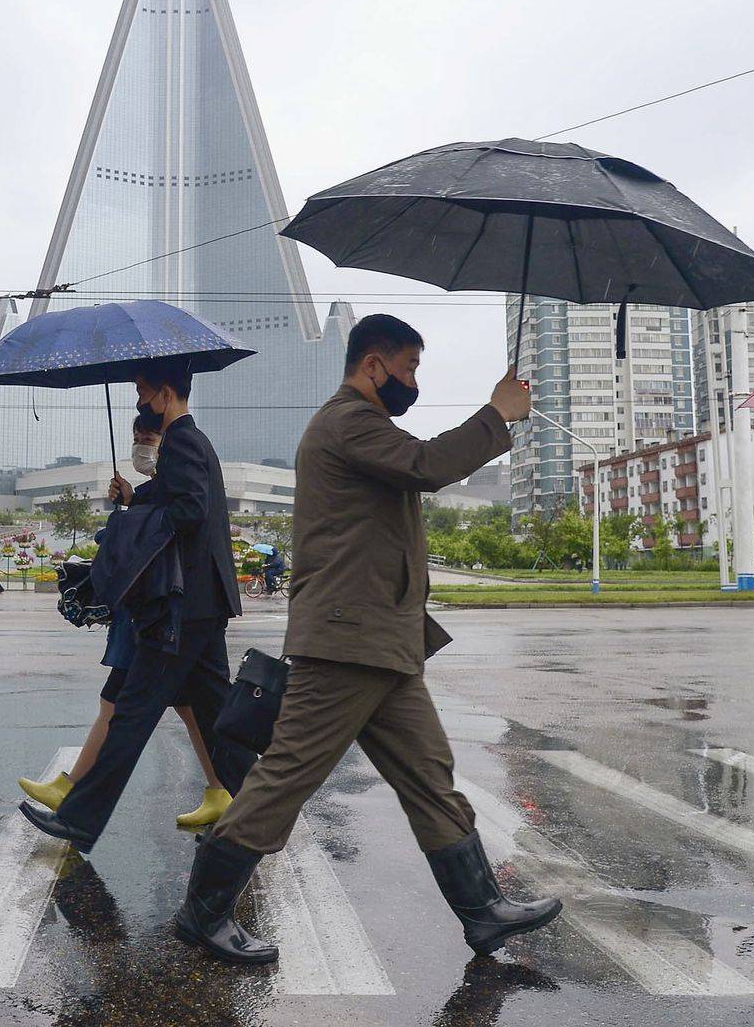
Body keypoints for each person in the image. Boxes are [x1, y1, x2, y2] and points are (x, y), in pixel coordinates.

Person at [172, 315, 560, 965]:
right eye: (408, 367)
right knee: (284, 780)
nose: (414, 381)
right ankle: (202, 912)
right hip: (348, 644)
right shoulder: (346, 422)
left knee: (430, 777)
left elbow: (412, 472)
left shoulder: (364, 425)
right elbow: (427, 465)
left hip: (382, 643)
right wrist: (497, 412)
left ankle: (482, 910)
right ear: (372, 364)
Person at [19, 358, 248, 853]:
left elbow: (189, 509)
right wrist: (137, 497)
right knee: (215, 717)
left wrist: (133, 521)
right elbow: (180, 496)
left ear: (165, 394)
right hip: (204, 604)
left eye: (143, 391)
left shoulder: (182, 440)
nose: (139, 400)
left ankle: (80, 818)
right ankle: (260, 810)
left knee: (134, 711)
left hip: (183, 607)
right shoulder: (195, 439)